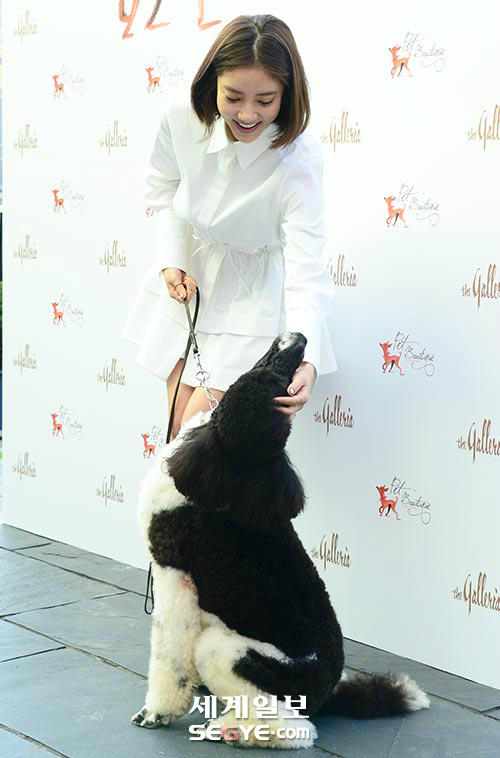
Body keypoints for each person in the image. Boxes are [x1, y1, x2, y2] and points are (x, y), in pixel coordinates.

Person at [121, 13, 337, 441]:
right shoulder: (181, 116)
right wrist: (172, 259)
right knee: (177, 434)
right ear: (212, 81)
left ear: (287, 95)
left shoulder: (299, 158)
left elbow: (306, 268)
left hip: (253, 301)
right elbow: (163, 186)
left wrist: (305, 357)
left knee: (196, 440)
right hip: (195, 283)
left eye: (265, 100)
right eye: (233, 96)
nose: (248, 114)